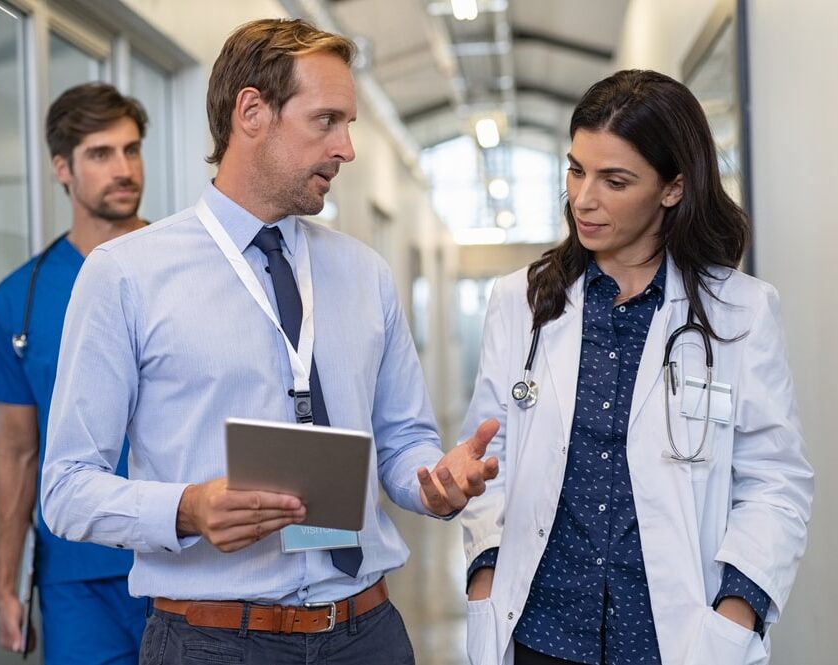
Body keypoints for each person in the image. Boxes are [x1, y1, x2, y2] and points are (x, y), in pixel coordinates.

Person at [41, 18, 499, 665]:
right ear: (251, 112)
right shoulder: (127, 274)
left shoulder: (363, 272)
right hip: (212, 640)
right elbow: (65, 486)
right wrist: (188, 507)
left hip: (366, 631)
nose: (347, 148)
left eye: (350, 124)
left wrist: (433, 479)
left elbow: (402, 439)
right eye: (326, 120)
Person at [460, 69, 813, 665]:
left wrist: (737, 610)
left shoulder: (742, 311)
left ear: (672, 188)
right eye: (576, 170)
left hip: (674, 639)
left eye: (614, 180)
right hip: (539, 632)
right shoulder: (519, 302)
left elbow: (775, 483)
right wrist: (484, 576)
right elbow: (486, 458)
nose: (583, 198)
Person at [0, 82, 149, 663]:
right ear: (62, 169)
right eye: (100, 154)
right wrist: (5, 583)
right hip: (76, 576)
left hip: (193, 562)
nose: (123, 169)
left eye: (131, 149)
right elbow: (16, 453)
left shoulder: (192, 269)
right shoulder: (18, 301)